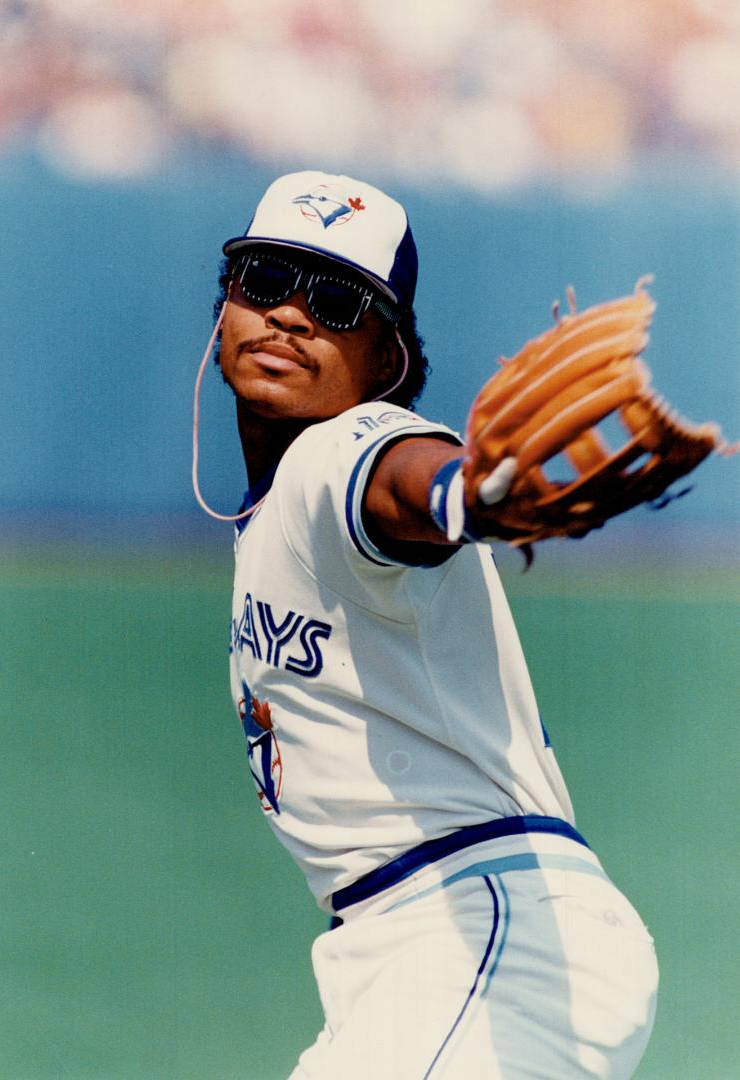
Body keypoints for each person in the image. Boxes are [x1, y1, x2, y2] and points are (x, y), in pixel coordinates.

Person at [198, 170, 658, 1079]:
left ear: (388, 363)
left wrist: (466, 492)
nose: (290, 315)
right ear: (223, 316)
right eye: (264, 283)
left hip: (487, 934)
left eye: (335, 301)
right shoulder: (280, 510)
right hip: (421, 953)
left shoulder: (344, 450)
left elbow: (407, 475)